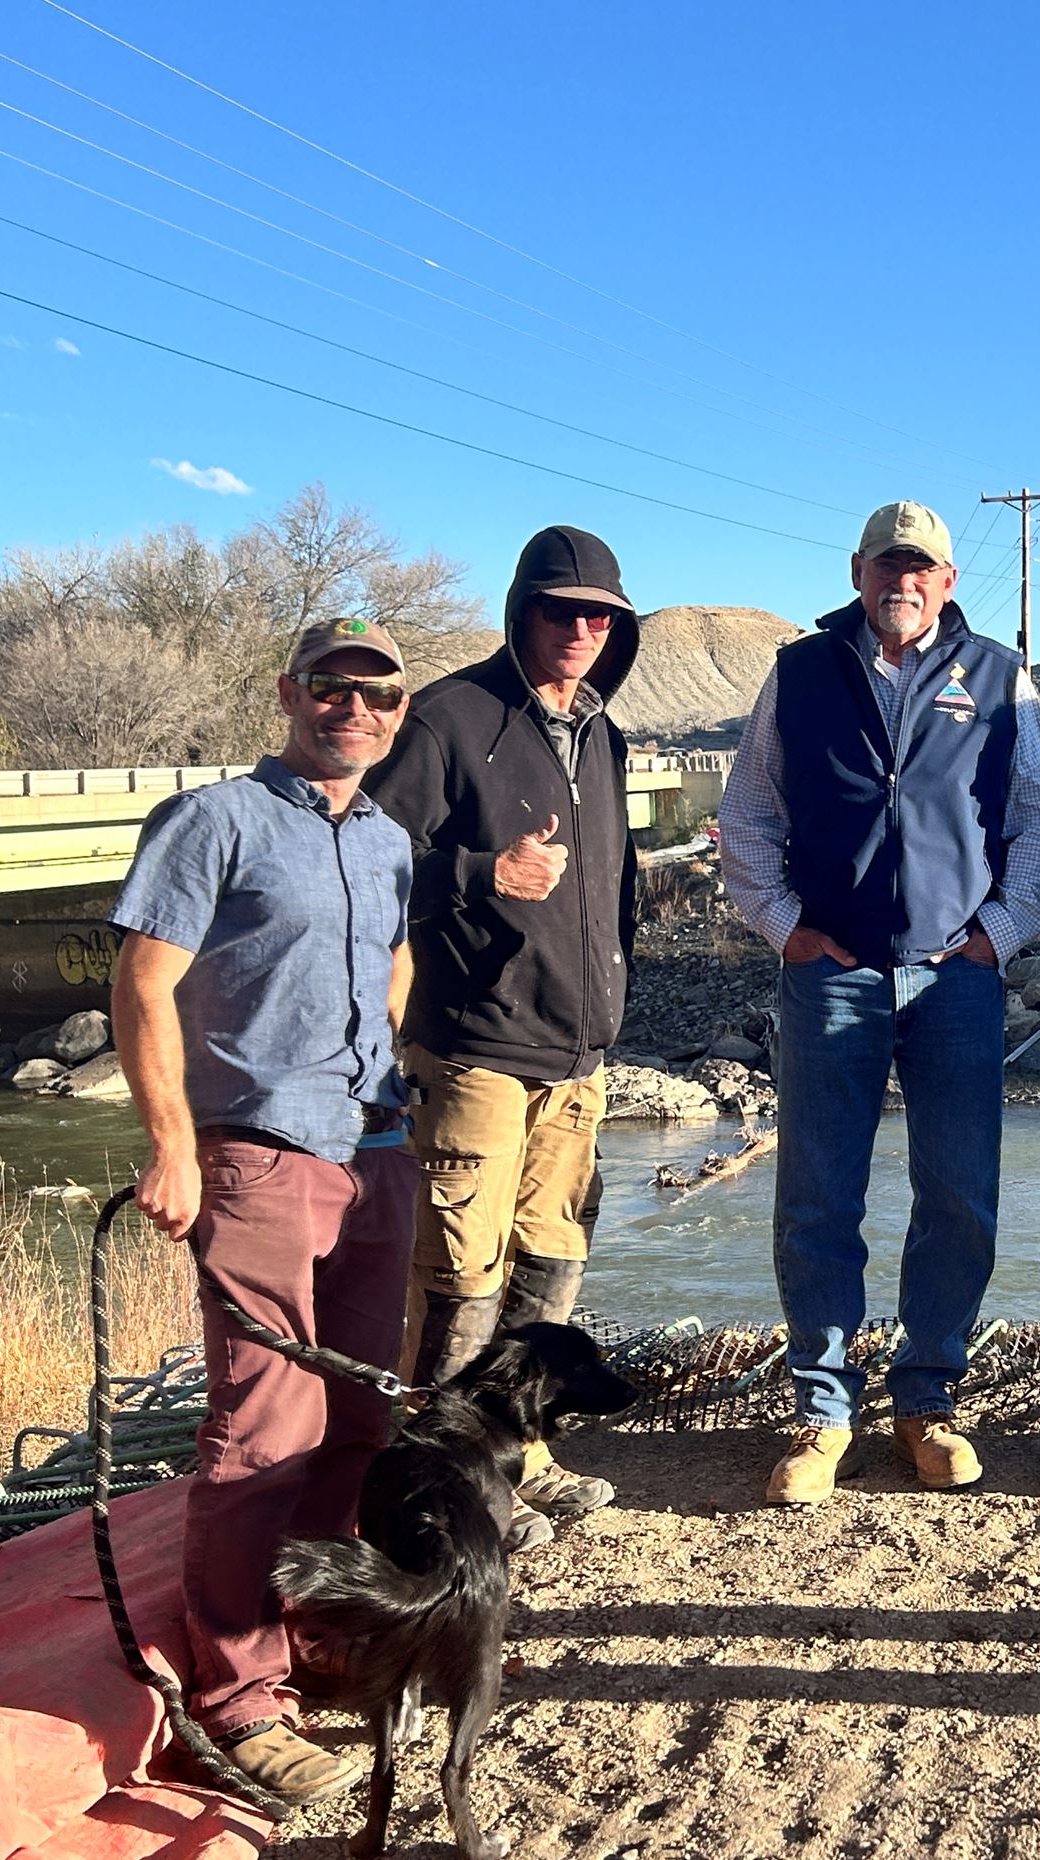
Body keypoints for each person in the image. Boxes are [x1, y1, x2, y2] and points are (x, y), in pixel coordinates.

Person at [109, 618, 419, 1806]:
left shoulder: (386, 838)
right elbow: (145, 977)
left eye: (379, 696)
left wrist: (387, 1075)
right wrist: (173, 1149)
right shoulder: (213, 822)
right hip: (257, 1158)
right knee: (260, 1431)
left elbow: (391, 960)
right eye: (334, 688)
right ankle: (237, 1695)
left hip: (375, 1150)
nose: (356, 710)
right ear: (289, 694)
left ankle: (320, 1628)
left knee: (358, 1420)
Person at [720, 501, 1040, 1506]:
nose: (900, 582)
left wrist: (995, 939)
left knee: (958, 1194)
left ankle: (927, 1399)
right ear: (857, 569)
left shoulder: (999, 676)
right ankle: (823, 1411)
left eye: (920, 568)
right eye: (885, 565)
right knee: (819, 1195)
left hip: (953, 976)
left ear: (947, 581)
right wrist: (783, 925)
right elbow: (747, 809)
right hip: (832, 970)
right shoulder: (799, 670)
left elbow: (1038, 821)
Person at [366, 526, 640, 1527]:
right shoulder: (447, 719)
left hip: (578, 1056)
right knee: (457, 1277)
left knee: (549, 1264)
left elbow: (613, 890)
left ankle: (519, 1460)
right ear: (522, 609)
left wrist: (614, 989)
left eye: (598, 614)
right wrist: (484, 874)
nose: (580, 628)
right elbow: (367, 866)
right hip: (475, 1048)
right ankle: (439, 1484)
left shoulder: (603, 733)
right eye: (561, 609)